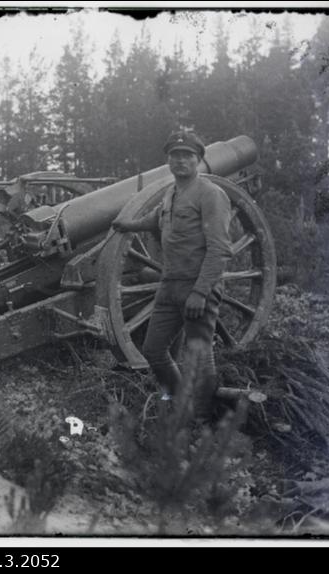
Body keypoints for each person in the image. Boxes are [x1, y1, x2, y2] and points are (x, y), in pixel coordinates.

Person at [111, 130, 233, 420]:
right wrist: (127, 225)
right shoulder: (171, 193)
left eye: (187, 156)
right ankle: (181, 403)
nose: (180, 161)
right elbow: (155, 219)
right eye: (175, 156)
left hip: (197, 287)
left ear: (199, 160)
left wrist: (201, 292)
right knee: (153, 350)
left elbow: (220, 249)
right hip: (169, 286)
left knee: (199, 356)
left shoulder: (211, 194)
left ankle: (204, 419)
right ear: (168, 160)